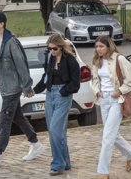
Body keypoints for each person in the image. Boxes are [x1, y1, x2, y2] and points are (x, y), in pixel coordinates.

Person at [0, 11, 44, 168]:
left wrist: (27, 85)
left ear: (1, 24)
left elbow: (21, 65)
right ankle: (35, 144)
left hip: (12, 88)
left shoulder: (11, 43)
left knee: (4, 120)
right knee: (18, 117)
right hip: (3, 87)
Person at [33, 33, 80, 176]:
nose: (52, 51)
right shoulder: (50, 58)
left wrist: (64, 91)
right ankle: (65, 162)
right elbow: (46, 77)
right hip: (49, 95)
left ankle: (57, 164)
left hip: (63, 96)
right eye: (50, 49)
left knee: (54, 130)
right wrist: (34, 90)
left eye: (54, 49)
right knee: (57, 132)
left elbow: (75, 84)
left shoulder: (71, 61)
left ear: (61, 47)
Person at [91, 35, 131, 179]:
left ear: (108, 46)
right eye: (97, 46)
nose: (98, 49)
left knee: (107, 137)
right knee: (112, 135)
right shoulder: (97, 61)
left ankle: (103, 172)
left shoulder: (119, 59)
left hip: (117, 100)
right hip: (103, 100)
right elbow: (94, 79)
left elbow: (130, 82)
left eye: (101, 46)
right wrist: (96, 91)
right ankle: (130, 154)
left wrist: (119, 91)